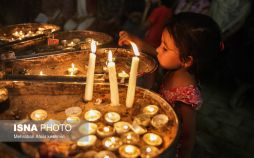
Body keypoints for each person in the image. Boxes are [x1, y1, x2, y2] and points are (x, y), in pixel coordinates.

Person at [118, 12, 222, 158]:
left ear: (186, 60)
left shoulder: (186, 96)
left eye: (165, 48)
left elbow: (187, 138)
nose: (158, 49)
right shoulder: (176, 68)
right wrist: (135, 41)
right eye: (161, 43)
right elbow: (156, 52)